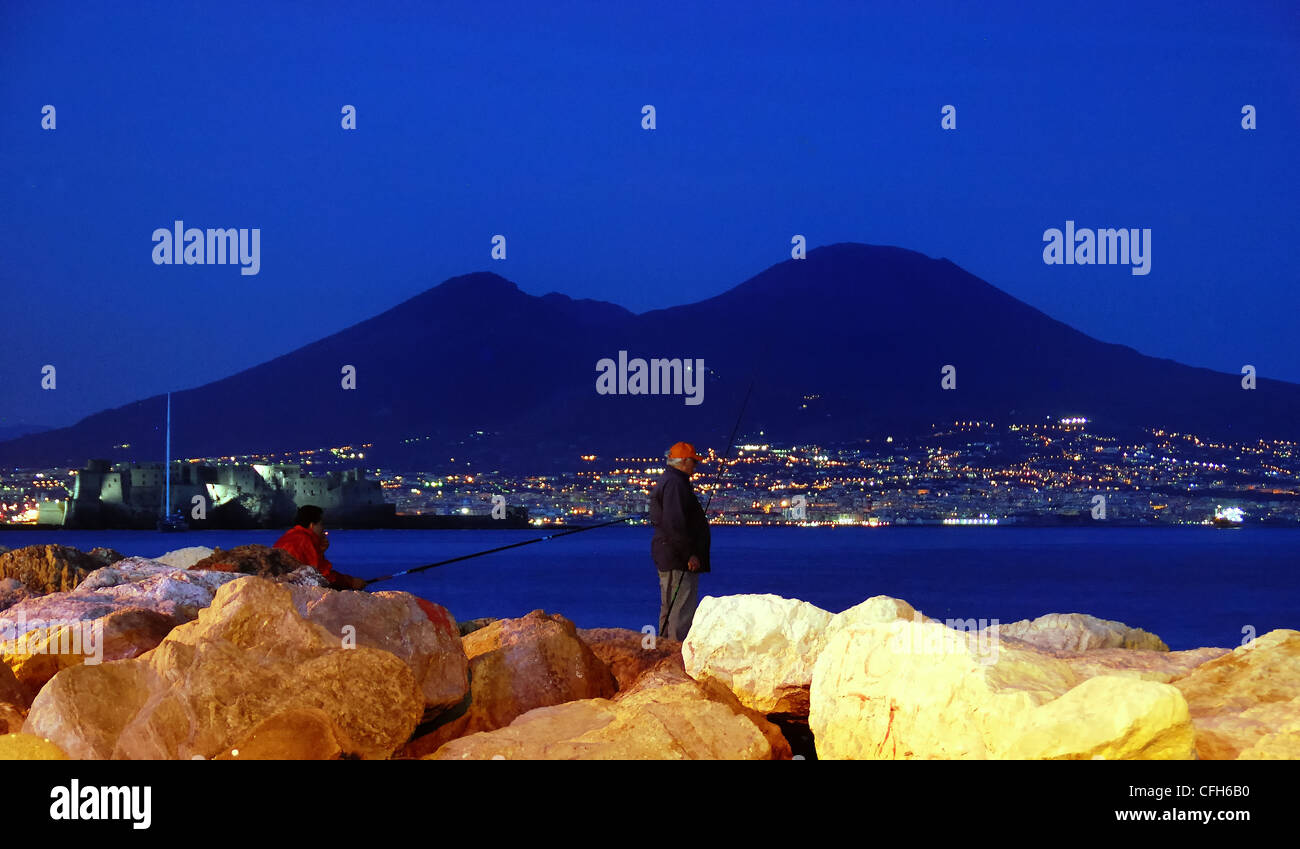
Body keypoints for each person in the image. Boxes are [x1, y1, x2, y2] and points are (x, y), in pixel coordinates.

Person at [649, 441, 711, 641]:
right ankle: (676, 653)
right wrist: (689, 554)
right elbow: (675, 523)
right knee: (681, 608)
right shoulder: (676, 484)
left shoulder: (670, 481)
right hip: (678, 558)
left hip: (670, 554)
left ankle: (665, 649)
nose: (695, 466)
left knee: (670, 606)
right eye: (694, 462)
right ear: (684, 461)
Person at [273, 505, 367, 590]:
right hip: (295, 593)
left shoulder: (290, 537)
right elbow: (323, 576)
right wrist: (351, 582)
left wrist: (320, 549)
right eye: (321, 524)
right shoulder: (305, 541)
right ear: (312, 525)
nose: (323, 528)